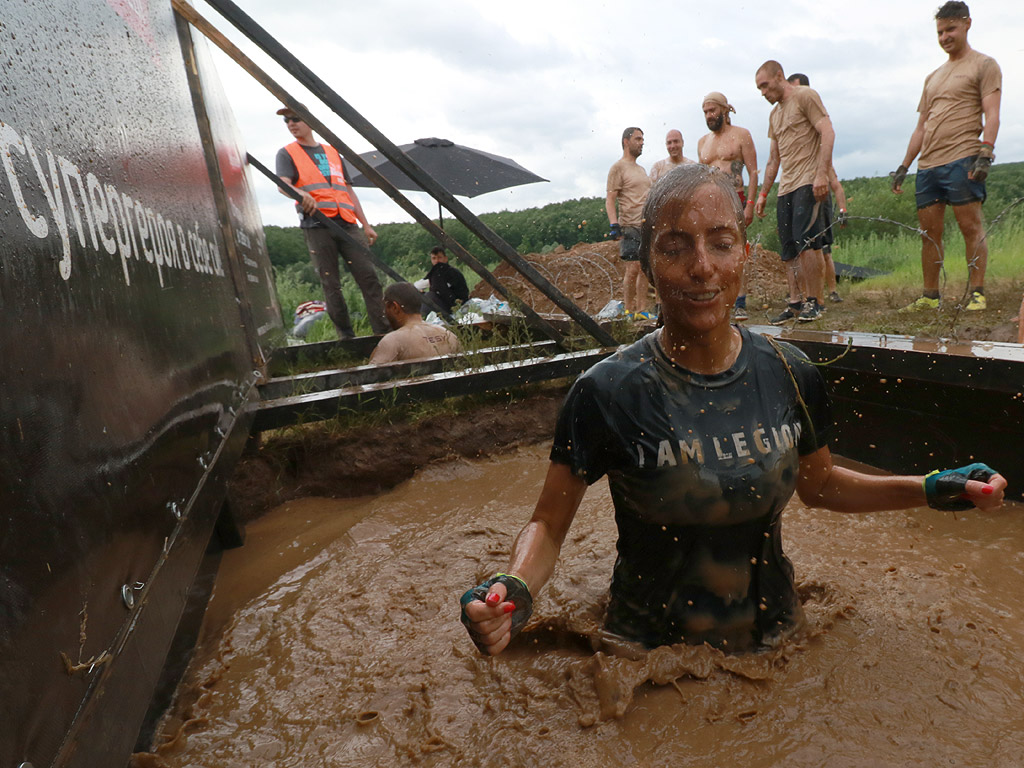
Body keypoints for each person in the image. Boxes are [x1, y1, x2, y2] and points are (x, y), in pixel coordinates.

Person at [460, 164, 1005, 657]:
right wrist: (516, 590)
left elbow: (822, 488)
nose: (703, 267)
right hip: (643, 659)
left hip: (780, 640)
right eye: (676, 247)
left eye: (720, 243)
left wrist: (931, 488)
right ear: (648, 266)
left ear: (744, 255)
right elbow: (548, 526)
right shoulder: (607, 392)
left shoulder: (790, 372)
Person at [890, 1, 1001, 313]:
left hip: (963, 157)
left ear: (967, 24)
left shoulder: (984, 64)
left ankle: (977, 293)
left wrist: (986, 152)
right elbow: (921, 127)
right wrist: (904, 166)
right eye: (940, 32)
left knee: (970, 227)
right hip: (928, 166)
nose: (944, 37)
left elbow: (992, 113)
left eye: (950, 29)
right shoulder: (933, 77)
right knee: (929, 234)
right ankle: (929, 296)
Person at [275, 107, 389, 339]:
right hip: (317, 225)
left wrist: (365, 225)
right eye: (287, 121)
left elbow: (347, 190)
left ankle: (383, 333)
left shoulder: (332, 152)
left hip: (348, 224)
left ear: (310, 121)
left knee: (369, 278)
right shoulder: (287, 153)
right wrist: (299, 194)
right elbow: (282, 184)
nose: (291, 124)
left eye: (295, 118)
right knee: (331, 285)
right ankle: (347, 338)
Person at [754, 61, 836, 324]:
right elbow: (773, 159)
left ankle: (815, 301)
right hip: (786, 186)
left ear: (780, 76)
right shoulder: (774, 115)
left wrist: (822, 174)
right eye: (759, 89)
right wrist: (763, 194)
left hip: (808, 181)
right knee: (788, 247)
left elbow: (828, 132)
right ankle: (795, 302)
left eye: (765, 85)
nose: (763, 93)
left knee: (806, 243)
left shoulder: (805, 96)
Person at [697, 92, 758, 320]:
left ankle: (739, 300)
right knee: (710, 251)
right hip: (709, 204)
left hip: (735, 198)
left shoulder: (742, 135)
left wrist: (750, 204)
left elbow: (753, 172)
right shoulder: (703, 142)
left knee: (735, 249)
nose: (709, 115)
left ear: (725, 110)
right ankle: (717, 297)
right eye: (705, 112)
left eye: (712, 110)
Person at [788, 73, 849, 304]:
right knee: (804, 248)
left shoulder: (813, 111)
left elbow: (835, 183)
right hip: (798, 186)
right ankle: (807, 294)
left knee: (822, 249)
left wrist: (842, 210)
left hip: (818, 193)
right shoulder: (791, 116)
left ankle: (827, 293)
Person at [606, 127, 653, 319]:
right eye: (638, 139)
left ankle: (641, 310)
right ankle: (628, 310)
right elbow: (610, 199)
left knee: (644, 269)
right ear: (626, 141)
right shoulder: (618, 168)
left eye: (643, 139)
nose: (642, 142)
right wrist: (614, 224)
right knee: (632, 268)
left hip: (646, 225)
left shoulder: (641, 170)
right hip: (629, 224)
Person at [369, 282, 461, 364]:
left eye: (385, 307)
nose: (384, 312)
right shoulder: (449, 335)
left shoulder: (393, 341)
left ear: (394, 307)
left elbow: (371, 377)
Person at [422, 246, 469, 318]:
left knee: (429, 296)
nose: (437, 261)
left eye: (439, 258)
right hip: (446, 303)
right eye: (434, 258)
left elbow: (444, 292)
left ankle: (421, 320)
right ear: (431, 260)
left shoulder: (451, 272)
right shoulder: (436, 272)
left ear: (445, 258)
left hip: (454, 305)